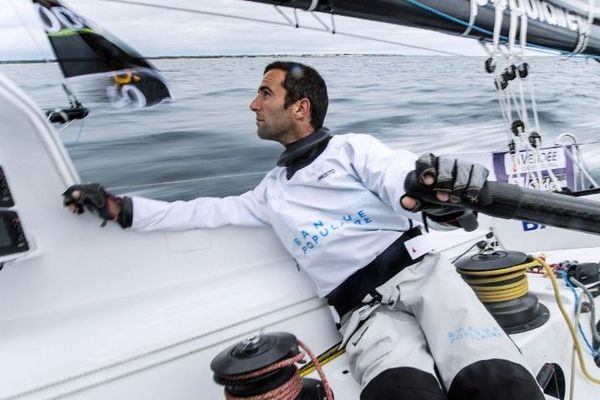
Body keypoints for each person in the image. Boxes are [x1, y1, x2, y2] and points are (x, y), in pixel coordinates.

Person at [63, 61, 545, 400]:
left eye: (265, 93)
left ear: (300, 108)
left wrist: (428, 189)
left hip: (424, 277)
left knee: (497, 382)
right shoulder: (268, 194)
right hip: (362, 315)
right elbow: (200, 211)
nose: (253, 103)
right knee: (401, 393)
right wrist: (119, 207)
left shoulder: (353, 149)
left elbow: (395, 172)